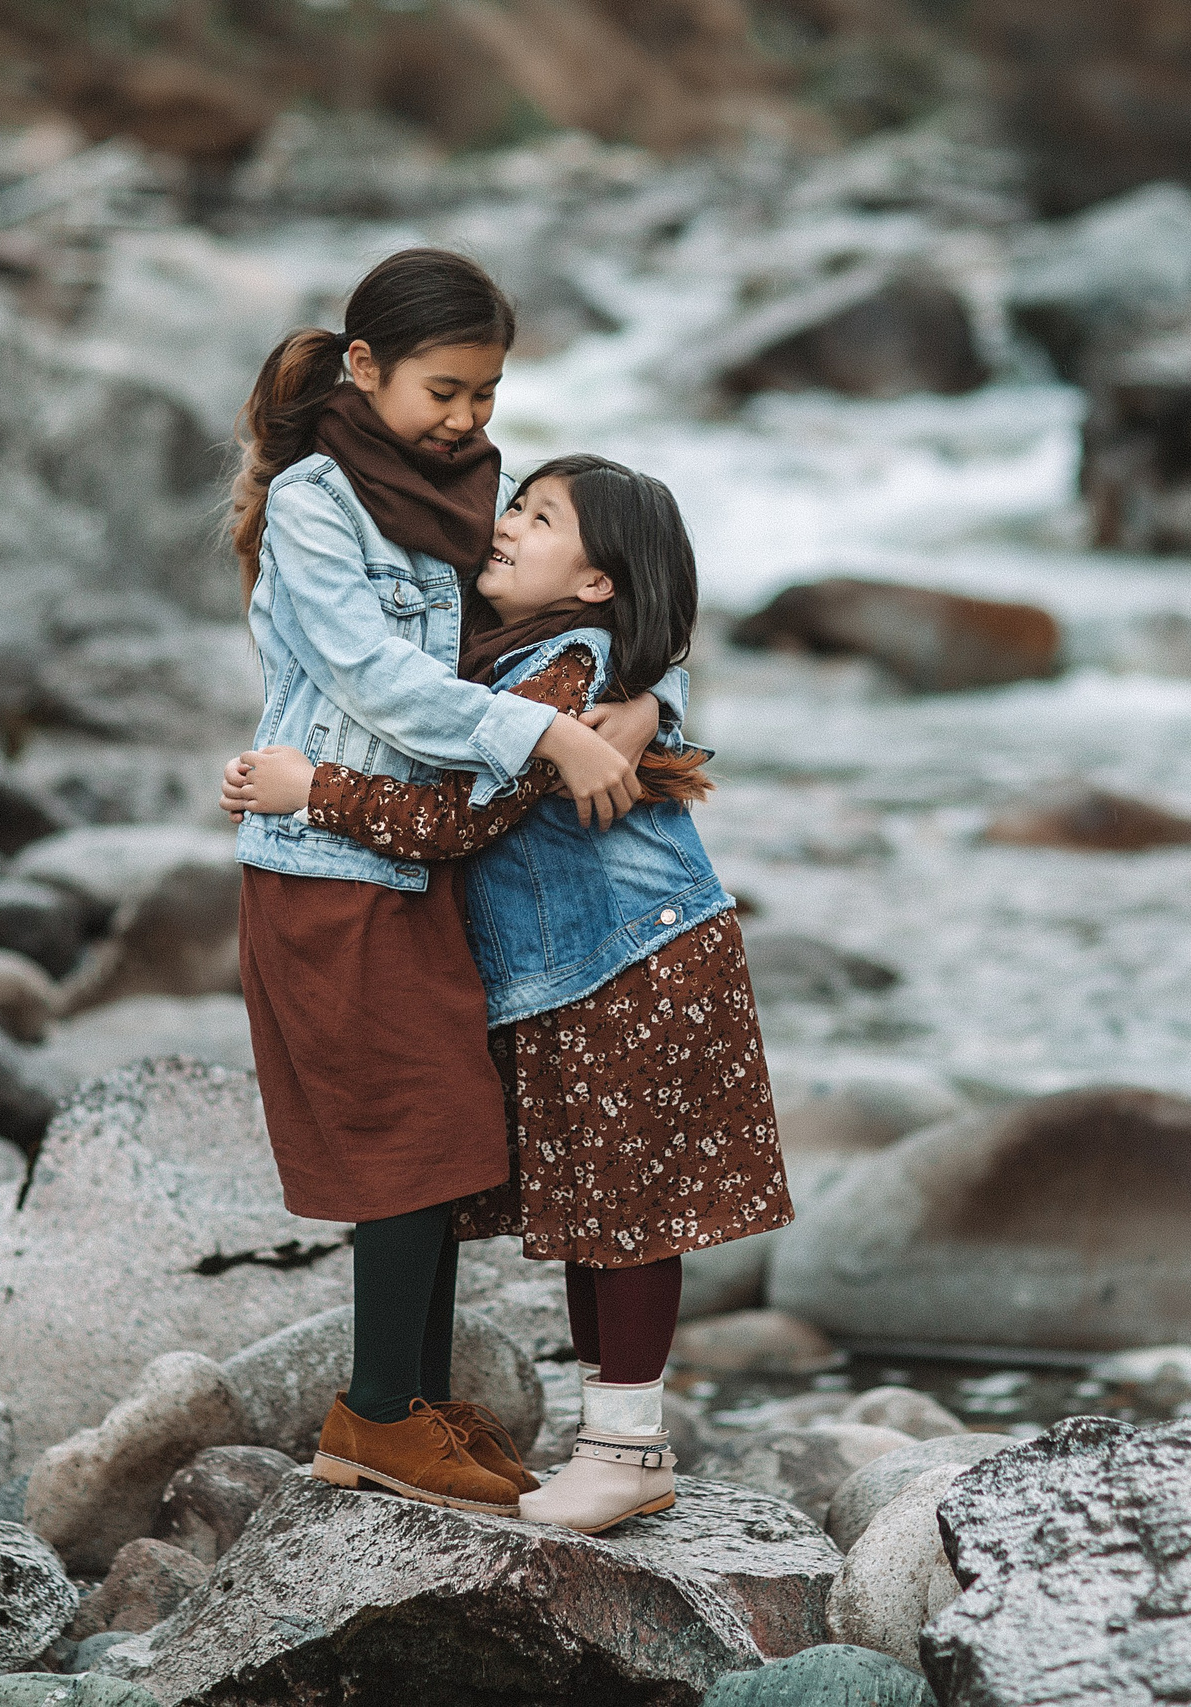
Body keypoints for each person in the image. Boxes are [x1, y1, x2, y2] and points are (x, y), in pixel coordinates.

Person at [227, 454, 792, 1534]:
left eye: (539, 520)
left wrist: (315, 791)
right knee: (594, 1215)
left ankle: (627, 1448)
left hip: (635, 969)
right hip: (578, 975)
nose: (506, 526)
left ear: (595, 583)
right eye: (515, 504)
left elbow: (458, 822)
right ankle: (609, 1442)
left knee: (626, 1219)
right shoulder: (527, 652)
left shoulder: (563, 670)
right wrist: (649, 690)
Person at [226, 251, 677, 1517]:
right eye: (446, 389)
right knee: (403, 1135)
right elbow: (375, 676)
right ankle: (372, 1417)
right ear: (363, 370)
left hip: (431, 859)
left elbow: (603, 603)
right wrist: (545, 735)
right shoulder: (319, 505)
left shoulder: (474, 490)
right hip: (329, 864)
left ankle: (411, 1405)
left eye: (486, 392)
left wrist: (637, 707)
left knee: (448, 1135)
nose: (470, 419)